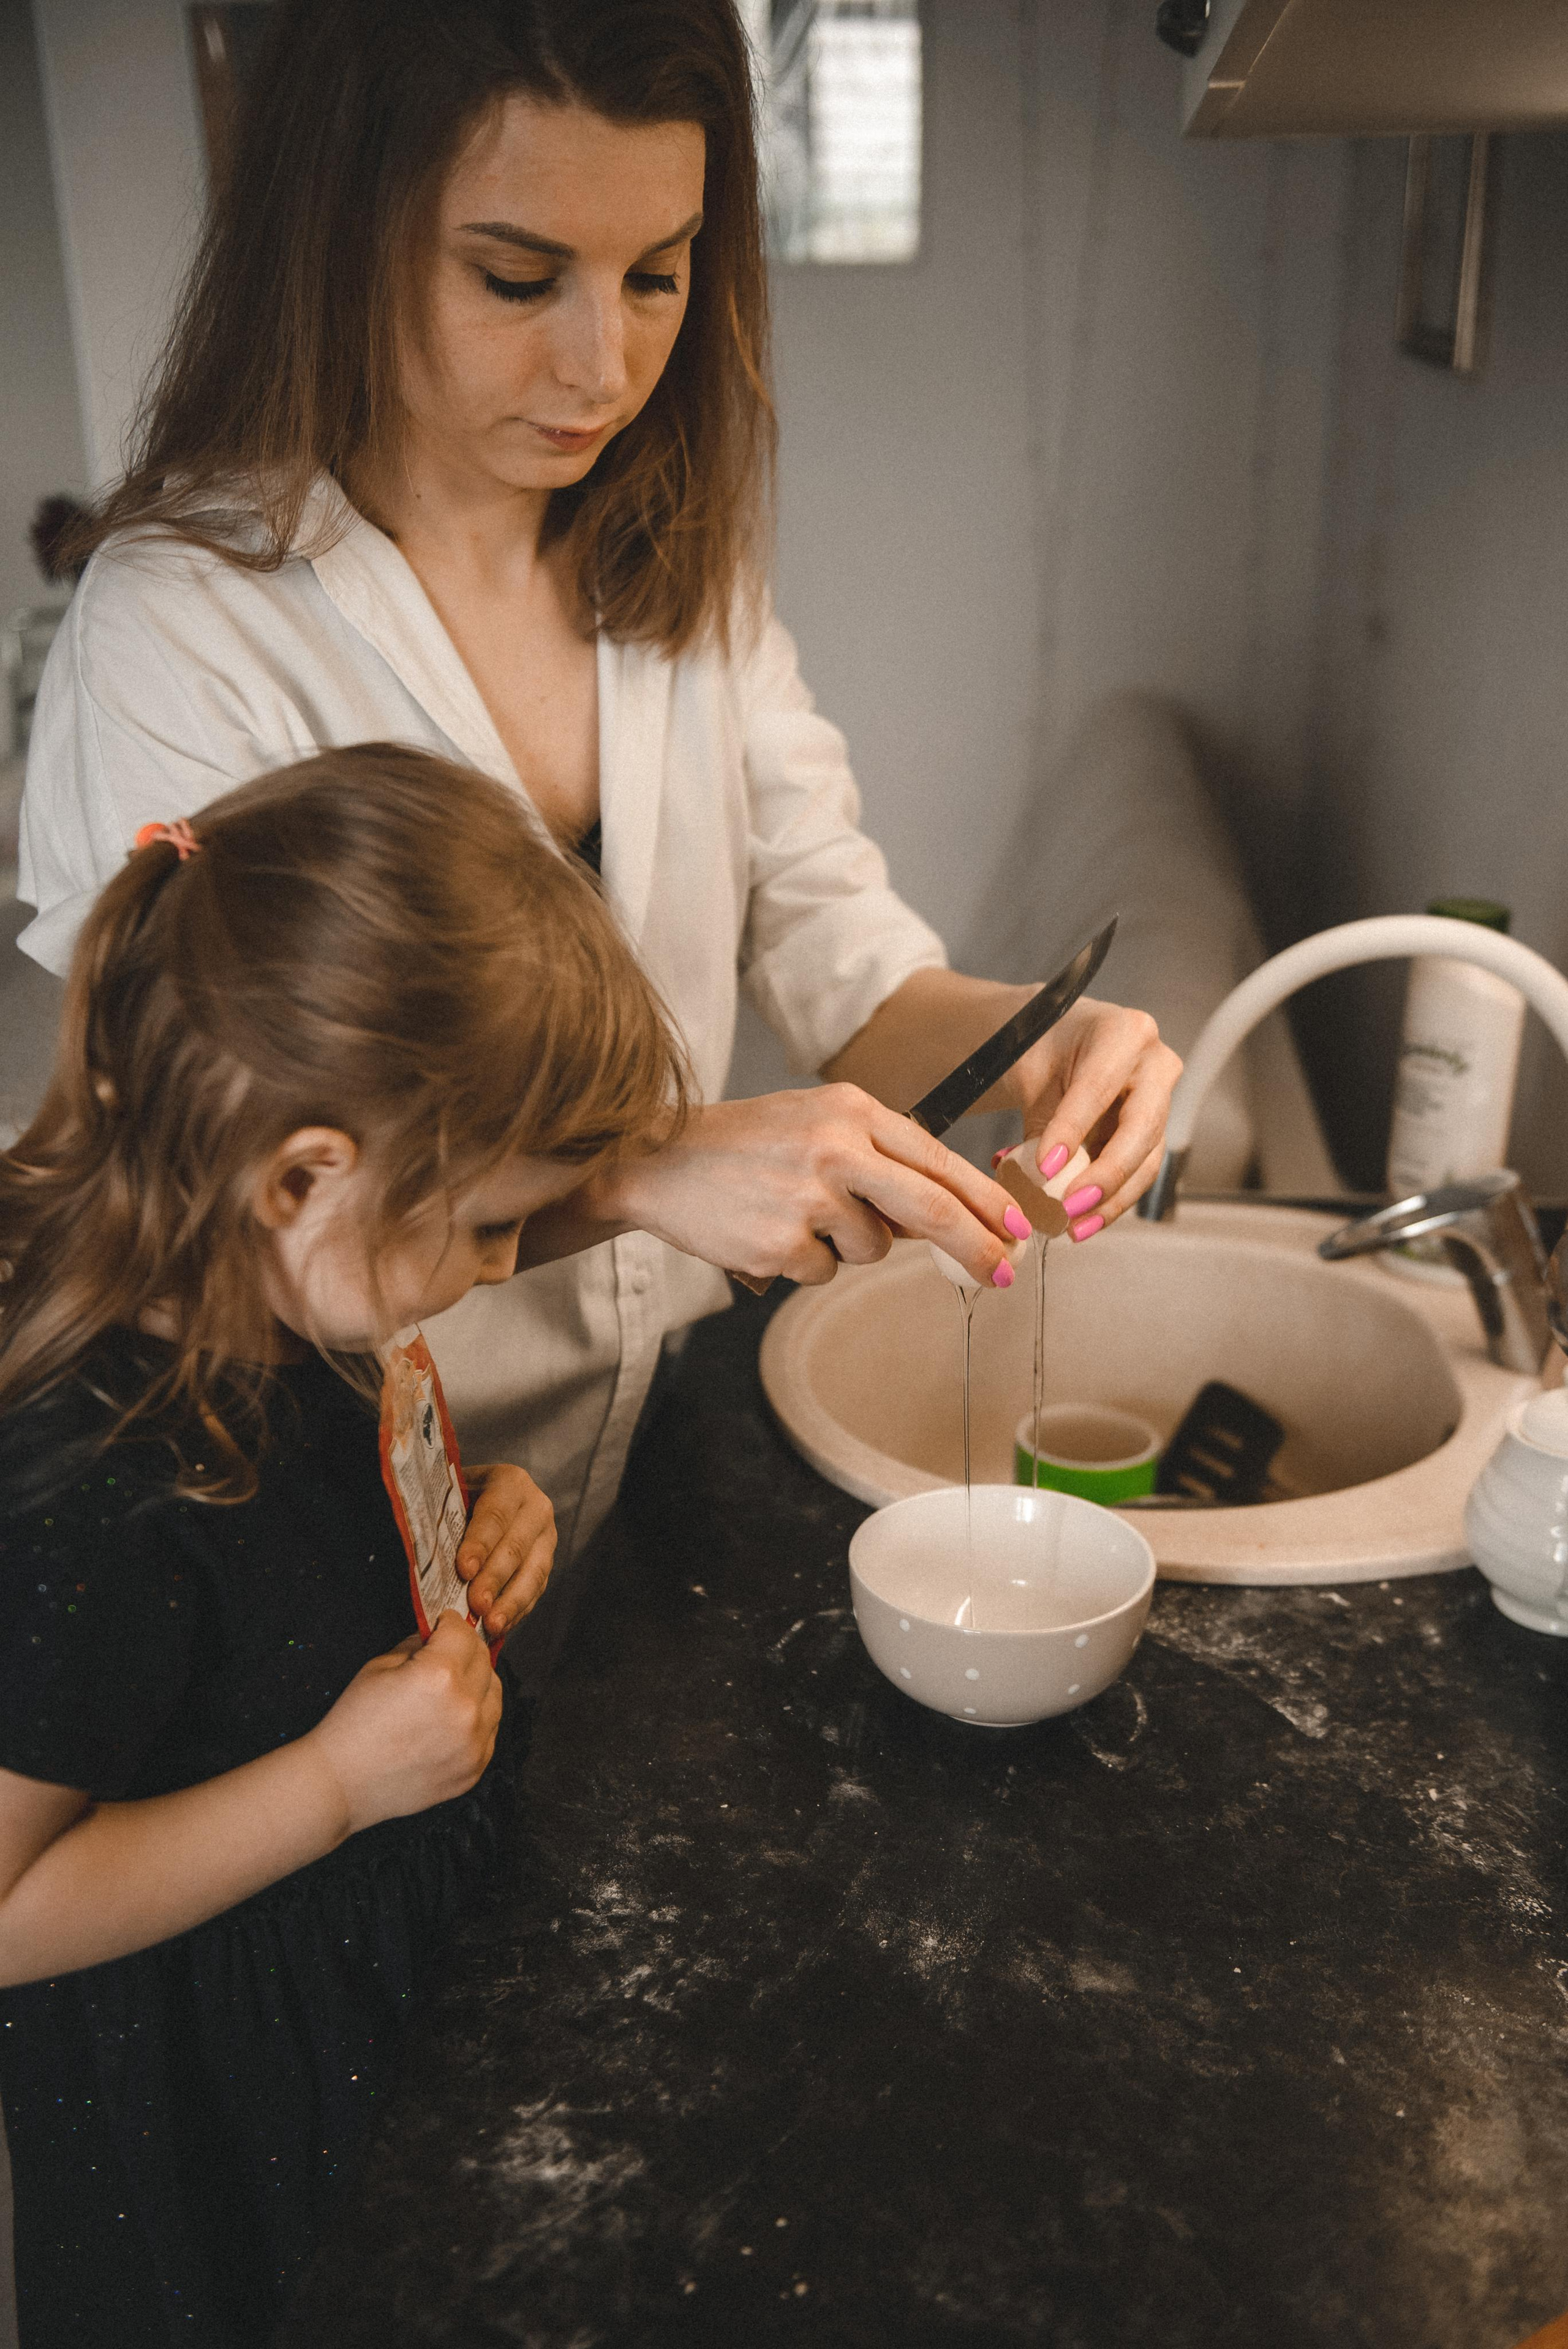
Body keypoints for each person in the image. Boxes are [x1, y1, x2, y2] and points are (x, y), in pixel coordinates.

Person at [18, 0, 1182, 1562]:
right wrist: (649, 1168)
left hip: (650, 1457)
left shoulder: (679, 565)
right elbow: (217, 1188)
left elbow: (847, 961)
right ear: (343, 233)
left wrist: (1040, 1044)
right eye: (515, 278)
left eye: (658, 274)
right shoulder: (185, 621)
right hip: (331, 1514)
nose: (604, 364)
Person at [0, 744, 693, 2347]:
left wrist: (472, 1518)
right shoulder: (94, 1489)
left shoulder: (291, 1293)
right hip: (215, 2134)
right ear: (306, 1173)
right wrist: (331, 1784)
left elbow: (298, 1580)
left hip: (363, 2026)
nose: (512, 1258)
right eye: (485, 1222)